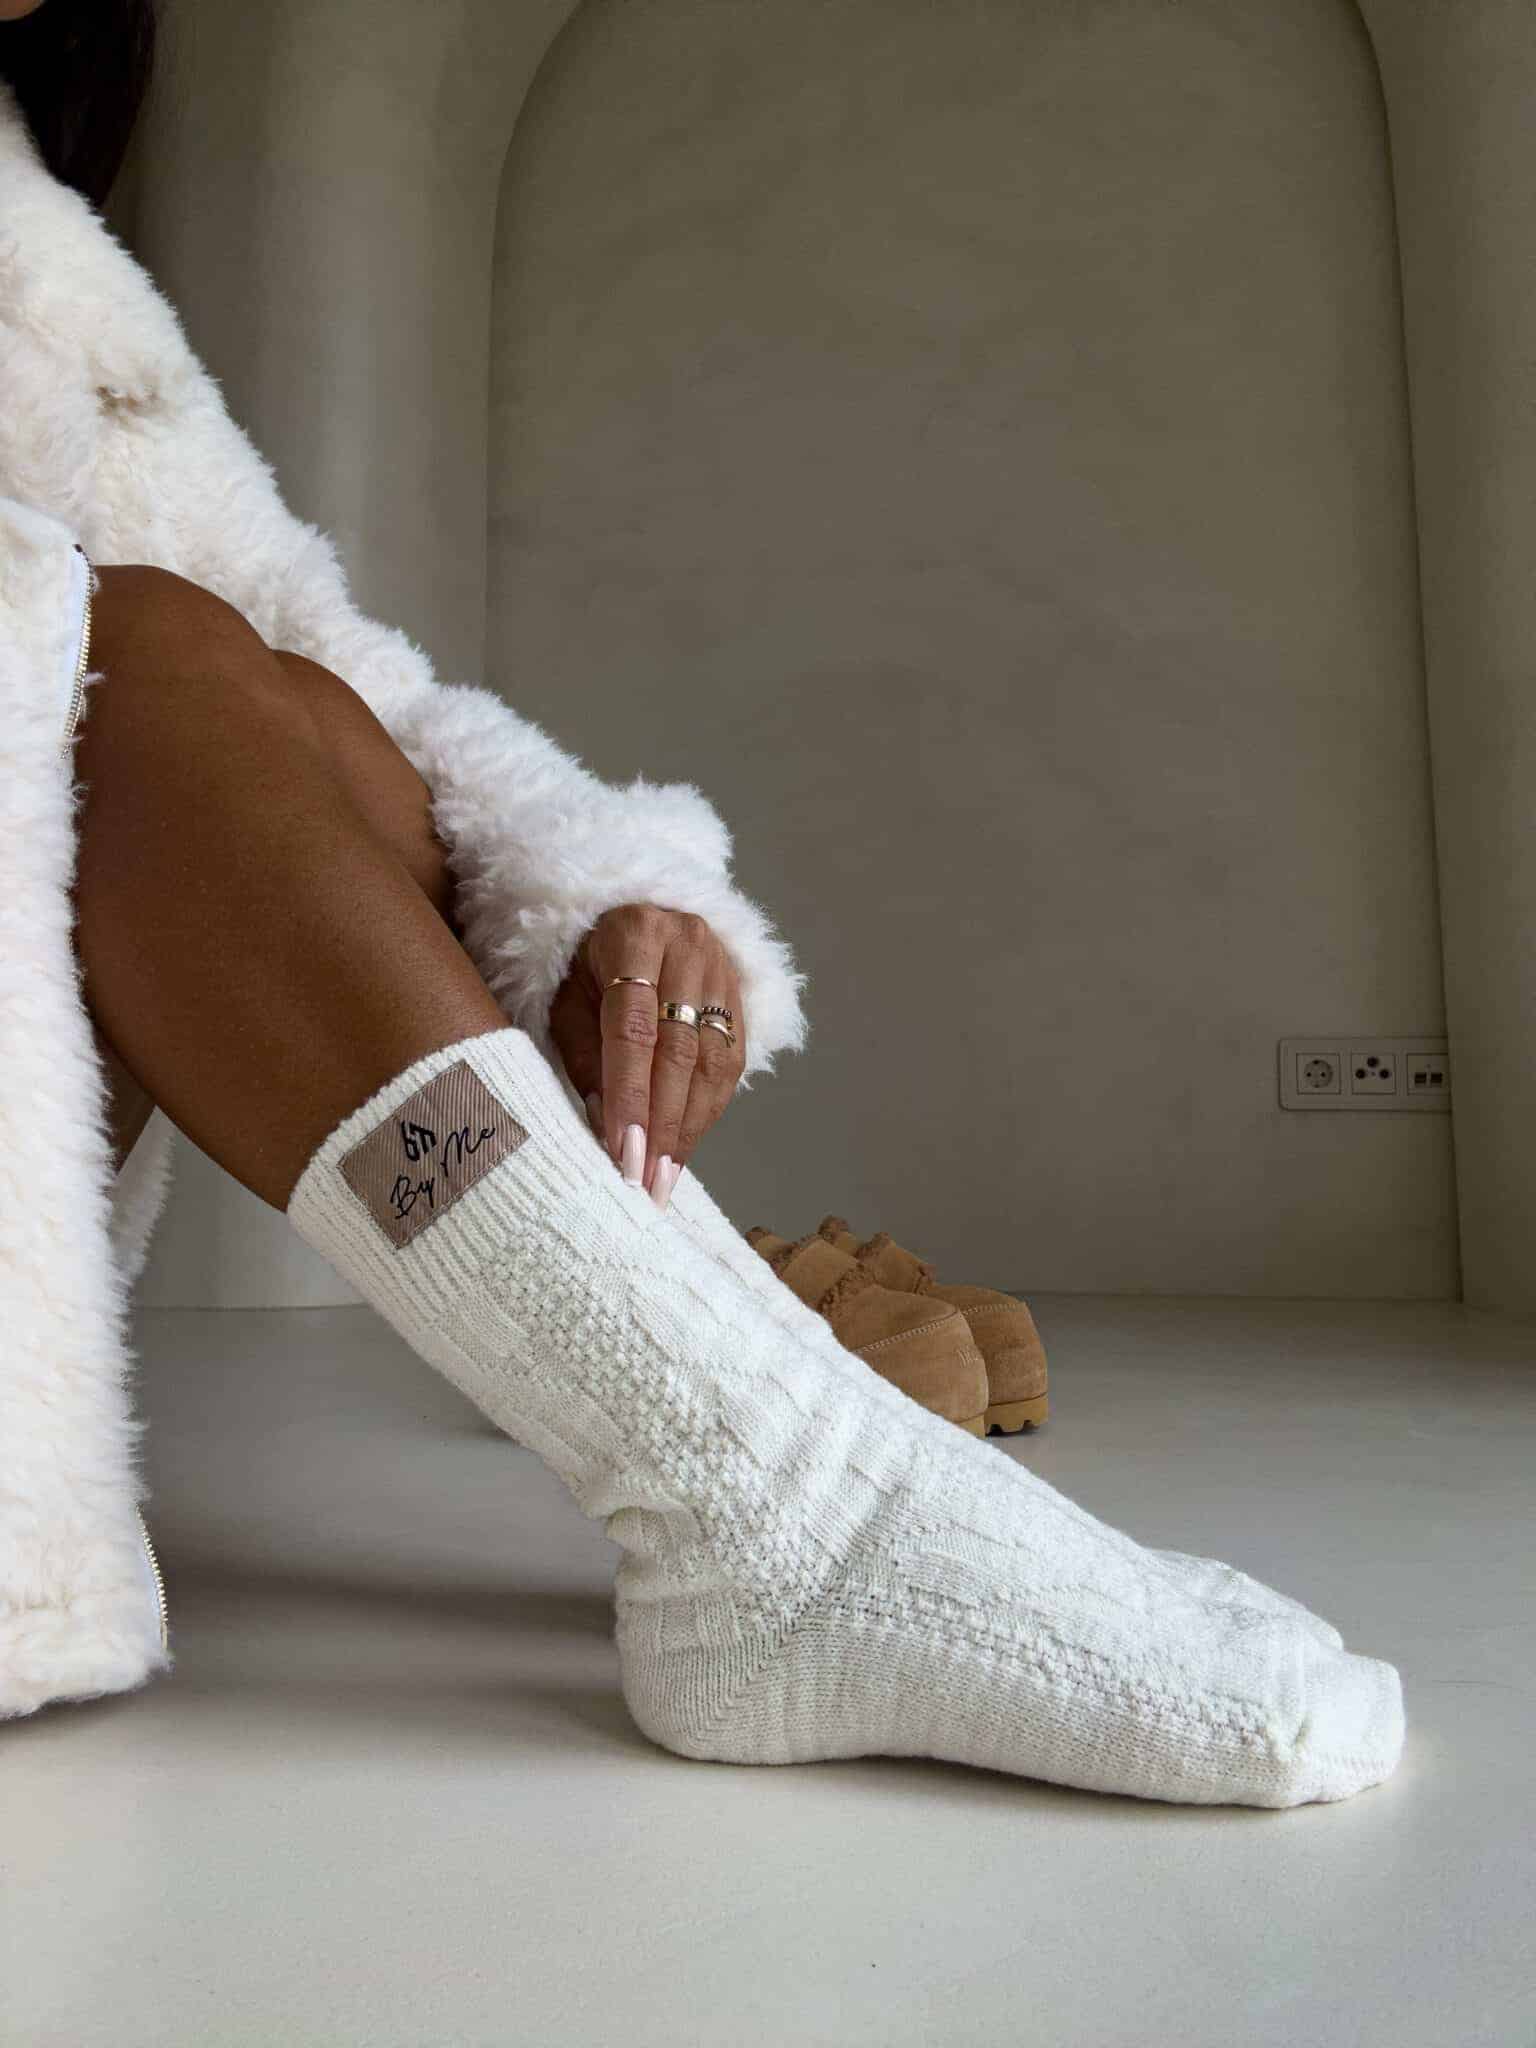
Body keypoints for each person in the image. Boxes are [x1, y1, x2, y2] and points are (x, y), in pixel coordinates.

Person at [0, 0, 1403, 1804]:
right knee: (112, 644)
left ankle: (767, 1464)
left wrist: (592, 885)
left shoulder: (40, 252)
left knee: (257, 692)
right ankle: (782, 1497)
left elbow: (304, 662)